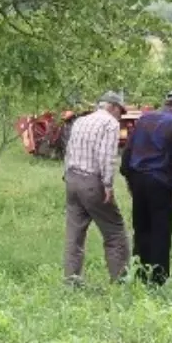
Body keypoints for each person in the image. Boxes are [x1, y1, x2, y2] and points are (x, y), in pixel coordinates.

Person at [120, 88, 172, 285]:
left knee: (141, 227)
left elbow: (129, 149)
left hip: (138, 180)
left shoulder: (144, 119)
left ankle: (140, 273)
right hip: (159, 182)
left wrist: (127, 176)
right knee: (161, 229)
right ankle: (158, 278)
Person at [63, 92, 130, 284]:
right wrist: (108, 185)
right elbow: (106, 156)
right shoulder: (110, 124)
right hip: (92, 182)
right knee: (115, 232)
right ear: (113, 107)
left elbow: (69, 151)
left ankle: (71, 281)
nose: (120, 116)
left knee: (74, 235)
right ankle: (120, 280)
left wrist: (66, 177)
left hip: (72, 179)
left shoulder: (80, 121)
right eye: (120, 111)